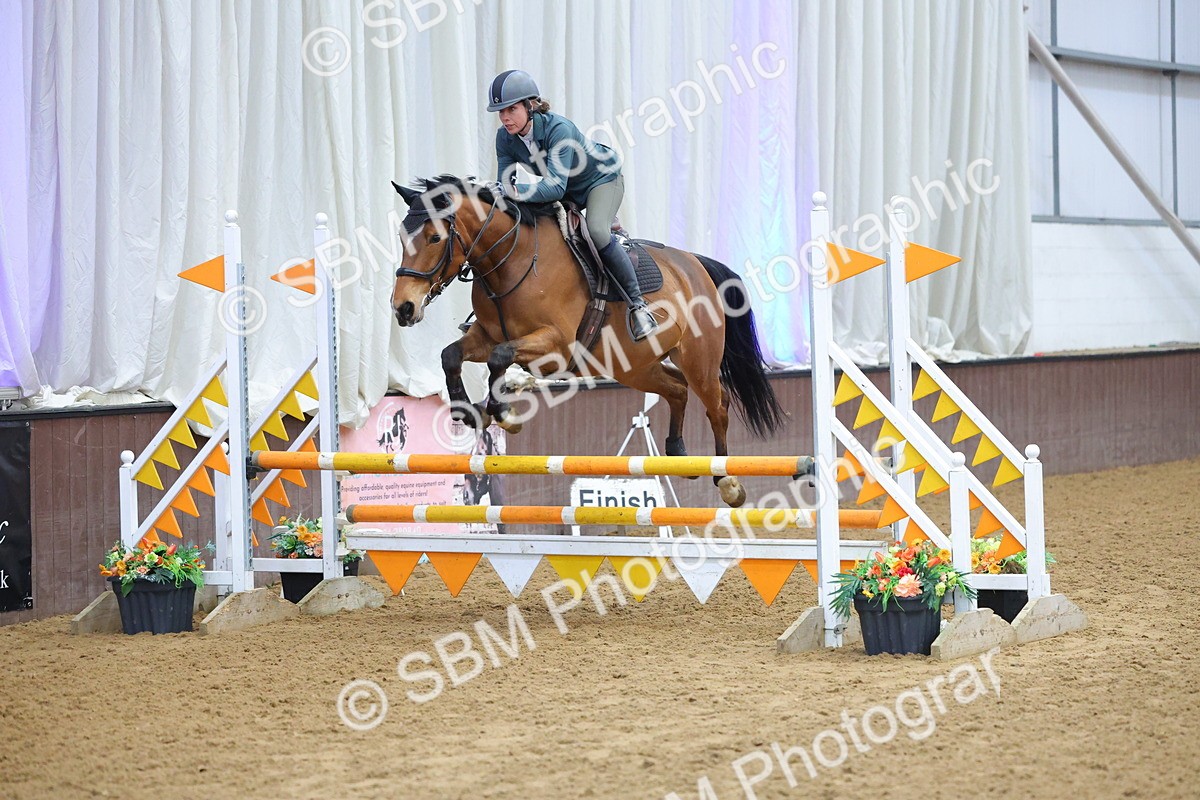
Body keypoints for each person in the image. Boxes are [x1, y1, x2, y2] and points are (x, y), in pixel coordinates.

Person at [487, 69, 658, 341]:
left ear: (530, 106)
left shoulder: (559, 129)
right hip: (566, 190)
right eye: (501, 112)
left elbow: (553, 187)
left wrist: (509, 190)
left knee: (598, 231)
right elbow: (505, 186)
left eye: (512, 109)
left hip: (601, 180)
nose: (505, 117)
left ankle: (639, 307)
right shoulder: (504, 138)